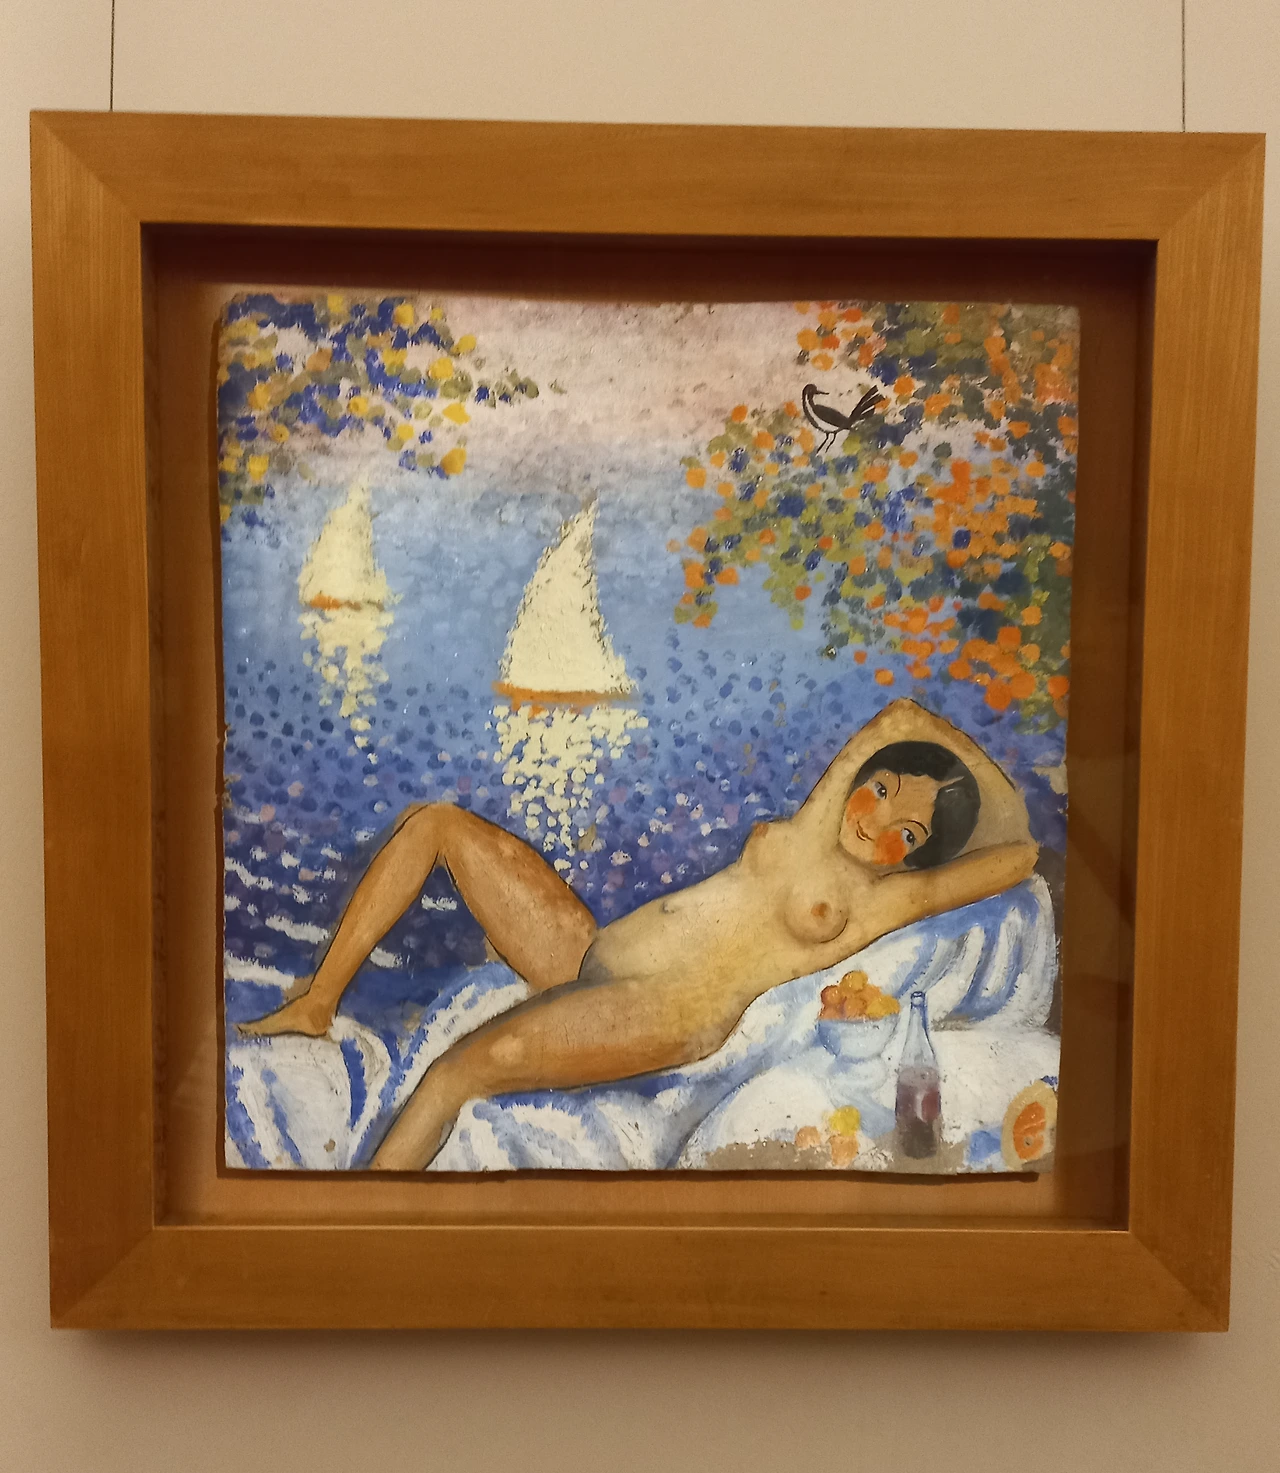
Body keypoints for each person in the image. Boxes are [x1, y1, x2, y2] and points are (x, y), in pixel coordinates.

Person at [240, 698, 1039, 1169]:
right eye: (883, 791)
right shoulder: (816, 820)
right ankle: (318, 1001)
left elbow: (1019, 854)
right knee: (438, 824)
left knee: (453, 1075)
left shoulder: (881, 900)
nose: (879, 821)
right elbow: (898, 717)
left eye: (908, 832)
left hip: (668, 1009)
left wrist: (958, 799)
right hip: (595, 953)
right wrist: (938, 767)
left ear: (915, 858)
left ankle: (366, 1228)